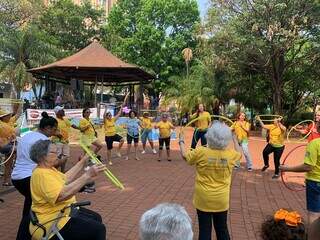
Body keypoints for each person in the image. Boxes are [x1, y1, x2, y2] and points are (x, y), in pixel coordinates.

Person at [29, 139, 106, 240]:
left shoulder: (48, 169)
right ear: (42, 156)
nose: (58, 154)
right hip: (51, 220)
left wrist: (83, 161)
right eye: (54, 152)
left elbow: (66, 178)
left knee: (96, 218)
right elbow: (61, 196)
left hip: (62, 211)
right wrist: (87, 175)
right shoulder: (42, 174)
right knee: (98, 229)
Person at [179, 121, 241, 240]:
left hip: (203, 198)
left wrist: (181, 141)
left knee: (204, 230)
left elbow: (185, 156)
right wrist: (234, 137)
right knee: (222, 229)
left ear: (209, 136)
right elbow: (240, 153)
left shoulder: (201, 151)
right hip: (221, 199)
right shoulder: (230, 154)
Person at [11, 112, 59, 240]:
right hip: (29, 177)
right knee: (35, 209)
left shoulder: (27, 135)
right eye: (54, 129)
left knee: (30, 205)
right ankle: (26, 235)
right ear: (47, 128)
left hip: (17, 177)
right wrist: (62, 160)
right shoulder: (44, 141)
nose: (55, 132)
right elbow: (49, 162)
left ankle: (28, 233)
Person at [280, 132, 320, 231]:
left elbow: (308, 166)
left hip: (315, 183)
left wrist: (287, 168)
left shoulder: (315, 143)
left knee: (314, 215)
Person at [52, 106, 79, 172]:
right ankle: (54, 171)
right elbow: (51, 131)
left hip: (65, 141)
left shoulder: (65, 119)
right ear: (58, 112)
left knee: (66, 156)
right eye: (62, 110)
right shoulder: (54, 121)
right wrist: (58, 135)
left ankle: (62, 171)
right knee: (58, 157)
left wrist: (81, 128)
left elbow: (73, 125)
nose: (64, 111)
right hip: (57, 141)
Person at [104, 94, 128, 165]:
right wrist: (106, 109)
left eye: (110, 115)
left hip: (114, 135)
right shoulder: (105, 121)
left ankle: (118, 151)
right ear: (106, 116)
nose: (110, 116)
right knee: (109, 149)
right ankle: (109, 161)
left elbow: (119, 114)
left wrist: (121, 107)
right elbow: (103, 116)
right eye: (109, 115)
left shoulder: (113, 120)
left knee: (122, 140)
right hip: (108, 136)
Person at [0, 109, 17, 186]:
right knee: (8, 164)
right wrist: (10, 139)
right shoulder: (1, 125)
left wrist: (19, 103)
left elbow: (17, 113)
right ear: (3, 117)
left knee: (8, 164)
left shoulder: (10, 122)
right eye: (7, 115)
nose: (9, 116)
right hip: (4, 146)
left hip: (10, 145)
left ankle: (7, 181)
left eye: (9, 115)